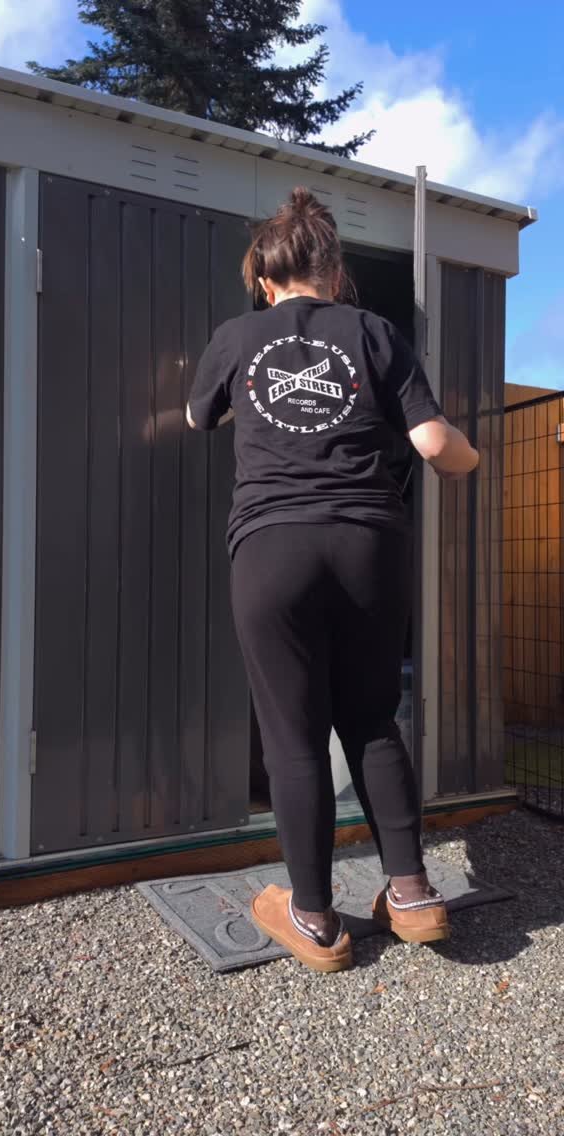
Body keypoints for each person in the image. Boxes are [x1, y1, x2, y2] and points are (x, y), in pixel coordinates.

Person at [187, 187, 479, 973]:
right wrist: (472, 454)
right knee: (372, 719)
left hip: (272, 546)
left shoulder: (238, 336)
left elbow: (196, 416)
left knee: (294, 736)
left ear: (264, 279)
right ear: (336, 272)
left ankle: (315, 921)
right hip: (367, 546)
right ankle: (413, 896)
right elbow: (433, 443)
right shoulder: (374, 332)